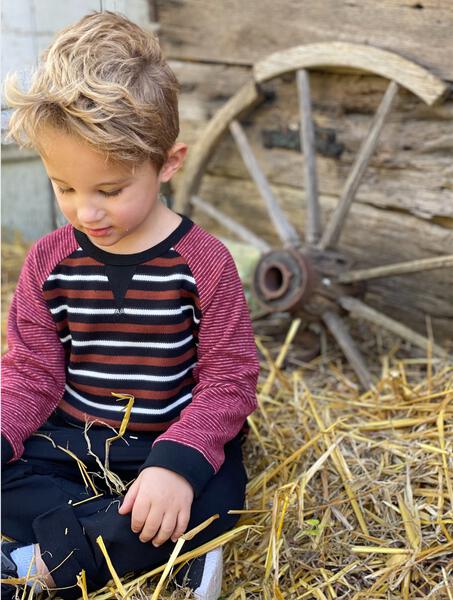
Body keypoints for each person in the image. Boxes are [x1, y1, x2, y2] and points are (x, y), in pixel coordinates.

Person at [1, 11, 259, 600]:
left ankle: (36, 563)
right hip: (78, 445)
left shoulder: (204, 262)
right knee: (12, 476)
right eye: (63, 187)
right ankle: (115, 541)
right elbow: (32, 375)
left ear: (168, 162)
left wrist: (174, 466)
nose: (84, 212)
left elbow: (229, 381)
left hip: (167, 441)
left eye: (109, 191)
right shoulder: (47, 262)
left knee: (213, 496)